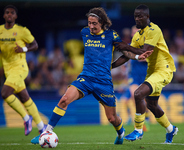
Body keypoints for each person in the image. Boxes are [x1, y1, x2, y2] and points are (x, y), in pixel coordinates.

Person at [31, 7, 152, 145]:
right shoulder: (84, 32)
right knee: (64, 100)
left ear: (101, 22)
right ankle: (46, 132)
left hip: (104, 82)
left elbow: (126, 51)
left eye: (94, 23)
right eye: (89, 22)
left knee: (112, 118)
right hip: (86, 78)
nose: (91, 26)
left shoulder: (111, 35)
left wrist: (137, 55)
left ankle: (120, 132)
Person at [112, 4, 178, 143]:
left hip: (164, 69)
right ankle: (171, 130)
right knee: (152, 106)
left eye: (140, 16)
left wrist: (126, 46)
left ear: (147, 17)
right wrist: (110, 66)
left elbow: (145, 51)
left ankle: (138, 130)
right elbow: (127, 55)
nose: (137, 19)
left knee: (137, 93)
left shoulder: (154, 30)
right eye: (135, 16)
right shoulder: (137, 35)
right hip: (152, 71)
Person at [0, 5, 46, 136]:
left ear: (15, 16)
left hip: (20, 68)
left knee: (5, 93)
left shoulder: (22, 31)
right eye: (7, 12)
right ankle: (42, 127)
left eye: (12, 13)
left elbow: (35, 45)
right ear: (4, 16)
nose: (9, 14)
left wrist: (23, 49)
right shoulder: (0, 31)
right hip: (8, 70)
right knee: (25, 98)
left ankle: (26, 118)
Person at [119, 25, 150, 131]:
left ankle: (144, 118)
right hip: (134, 77)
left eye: (137, 31)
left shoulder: (148, 46)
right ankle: (137, 122)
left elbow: (148, 59)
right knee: (134, 95)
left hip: (146, 76)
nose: (135, 33)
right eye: (133, 32)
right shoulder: (129, 46)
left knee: (147, 102)